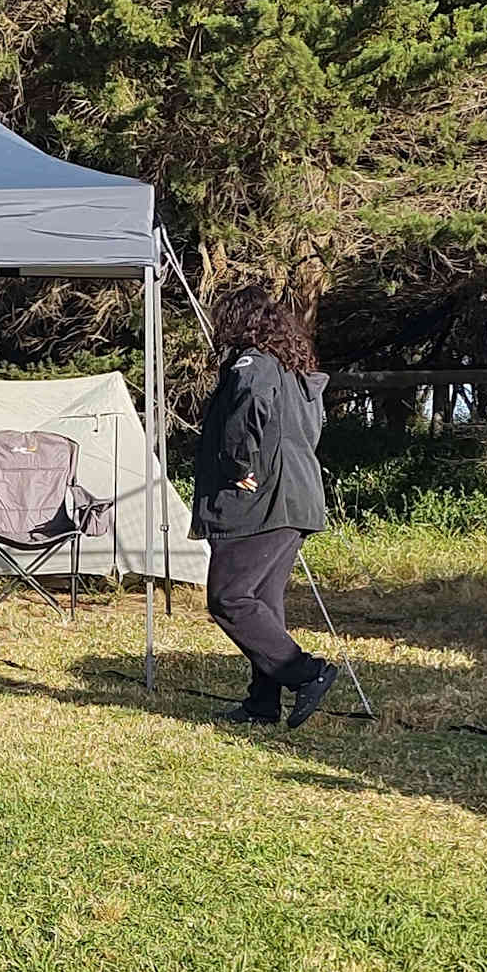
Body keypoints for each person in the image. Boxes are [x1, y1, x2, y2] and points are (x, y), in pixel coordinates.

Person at [189, 286, 340, 727]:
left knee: (229, 597)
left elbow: (247, 410)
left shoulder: (252, 363)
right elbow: (312, 432)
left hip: (262, 503)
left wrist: (239, 464)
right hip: (296, 499)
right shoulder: (294, 371)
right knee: (263, 601)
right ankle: (262, 703)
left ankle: (306, 672)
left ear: (238, 321)